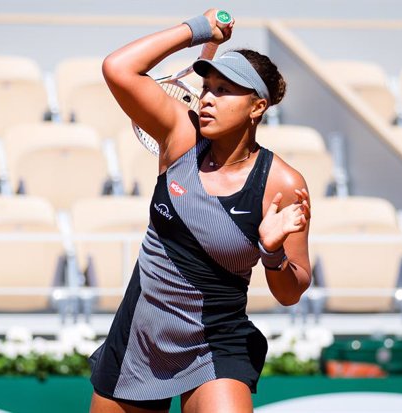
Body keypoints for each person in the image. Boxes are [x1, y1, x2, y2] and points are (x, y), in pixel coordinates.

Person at [89, 9, 311, 413]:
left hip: (216, 345)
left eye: (224, 90)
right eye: (206, 86)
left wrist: (273, 253)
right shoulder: (179, 135)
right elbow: (117, 68)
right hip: (139, 338)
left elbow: (290, 293)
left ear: (257, 107)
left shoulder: (282, 184)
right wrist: (197, 30)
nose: (207, 98)